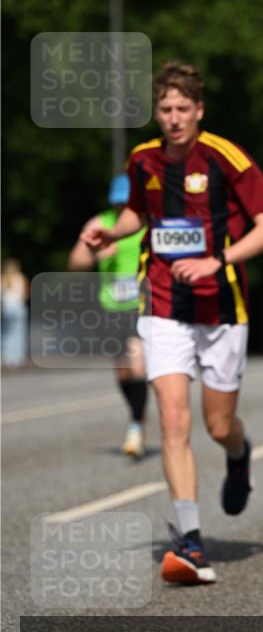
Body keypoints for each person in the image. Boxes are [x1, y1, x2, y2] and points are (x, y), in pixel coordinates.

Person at [80, 62, 263, 584]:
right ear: (157, 111)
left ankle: (239, 454)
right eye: (164, 109)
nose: (172, 118)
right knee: (172, 419)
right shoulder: (142, 159)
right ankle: (191, 542)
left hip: (220, 308)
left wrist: (221, 260)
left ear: (198, 111)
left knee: (217, 426)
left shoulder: (225, 157)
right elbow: (134, 216)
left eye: (181, 110)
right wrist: (111, 234)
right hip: (164, 305)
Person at [69, 175, 149, 458]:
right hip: (111, 306)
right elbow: (75, 262)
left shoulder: (146, 221)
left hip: (141, 304)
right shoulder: (99, 224)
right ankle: (137, 416)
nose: (121, 208)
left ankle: (136, 428)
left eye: (126, 203)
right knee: (123, 372)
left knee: (137, 361)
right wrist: (96, 255)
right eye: (117, 203)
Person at [0, 259, 28, 367]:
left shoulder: (2, 279)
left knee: (5, 332)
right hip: (18, 307)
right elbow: (25, 295)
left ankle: (6, 356)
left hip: (6, 308)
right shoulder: (21, 278)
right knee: (18, 333)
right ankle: (16, 357)